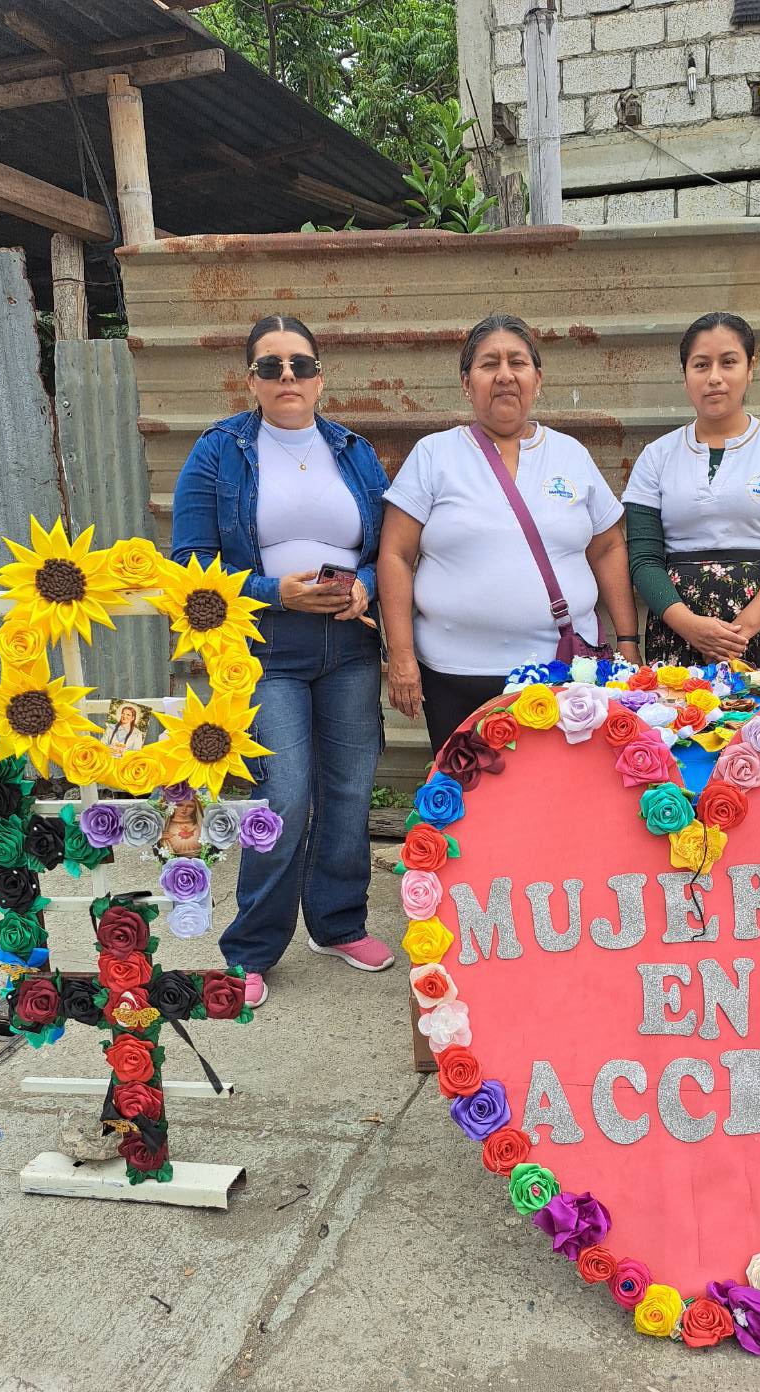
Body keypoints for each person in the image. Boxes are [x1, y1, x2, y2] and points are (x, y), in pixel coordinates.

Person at [171, 314, 393, 1007]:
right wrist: (276, 593)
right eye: (272, 366)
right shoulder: (219, 452)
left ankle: (338, 923)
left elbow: (389, 550)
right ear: (252, 380)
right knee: (285, 794)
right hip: (266, 649)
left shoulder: (354, 451)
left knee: (350, 790)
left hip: (350, 646)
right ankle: (251, 948)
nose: (288, 376)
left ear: (321, 377)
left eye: (301, 364)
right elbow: (189, 565)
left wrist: (366, 586)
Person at [378, 313, 641, 754]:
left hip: (561, 675)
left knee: (555, 791)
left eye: (517, 362)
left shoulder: (571, 455)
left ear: (537, 379)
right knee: (465, 792)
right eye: (489, 364)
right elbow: (395, 556)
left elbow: (609, 546)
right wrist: (401, 657)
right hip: (454, 677)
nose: (504, 375)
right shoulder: (433, 455)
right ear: (467, 383)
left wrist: (628, 642)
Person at [623, 312, 760, 673]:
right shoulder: (656, 457)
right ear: (685, 375)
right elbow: (643, 559)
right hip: (678, 638)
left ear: (750, 368)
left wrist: (738, 633)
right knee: (679, 711)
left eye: (728, 362)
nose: (714, 377)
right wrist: (692, 628)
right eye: (701, 365)